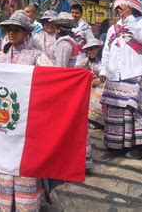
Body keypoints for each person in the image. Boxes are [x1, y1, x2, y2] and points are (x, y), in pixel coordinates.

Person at [0, 11, 53, 212]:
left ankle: (26, 204)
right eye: (8, 29)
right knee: (0, 162)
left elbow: (55, 80)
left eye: (16, 29)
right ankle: (2, 204)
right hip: (1, 123)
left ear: (27, 33)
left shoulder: (37, 56)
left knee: (24, 162)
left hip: (27, 123)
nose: (11, 33)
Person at [99, 0, 142, 159]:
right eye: (118, 9)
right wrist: (104, 70)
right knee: (116, 112)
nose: (120, 12)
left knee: (136, 112)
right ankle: (117, 145)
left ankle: (139, 146)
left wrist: (130, 18)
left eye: (123, 8)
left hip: (136, 73)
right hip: (115, 75)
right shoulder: (113, 28)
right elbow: (107, 50)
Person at [50, 12, 92, 170]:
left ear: (58, 27)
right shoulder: (71, 41)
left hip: (66, 88)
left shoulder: (63, 43)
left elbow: (60, 69)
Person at [78, 39, 105, 129]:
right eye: (88, 50)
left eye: (92, 49)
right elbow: (77, 67)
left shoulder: (105, 60)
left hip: (107, 85)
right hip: (96, 85)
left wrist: (100, 81)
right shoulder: (89, 61)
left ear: (99, 49)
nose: (89, 52)